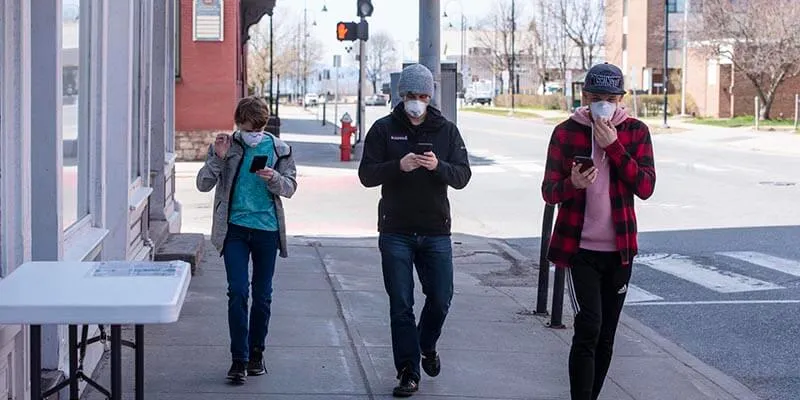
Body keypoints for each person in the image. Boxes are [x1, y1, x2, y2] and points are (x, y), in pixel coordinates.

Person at [541, 62, 656, 400]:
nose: (603, 105)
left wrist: (614, 147)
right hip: (580, 250)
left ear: (621, 99)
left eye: (610, 99)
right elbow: (549, 191)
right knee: (588, 326)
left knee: (606, 334)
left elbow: (646, 187)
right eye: (595, 98)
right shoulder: (566, 132)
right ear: (584, 97)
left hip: (619, 251)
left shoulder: (635, 131)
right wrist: (572, 183)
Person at [358, 64, 472, 397]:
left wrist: (438, 167)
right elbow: (366, 175)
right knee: (401, 304)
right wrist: (398, 166)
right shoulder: (383, 129)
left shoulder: (446, 130)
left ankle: (426, 344)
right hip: (396, 230)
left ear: (430, 97)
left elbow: (462, 176)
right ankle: (408, 371)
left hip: (435, 230)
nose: (416, 102)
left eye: (423, 96)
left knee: (440, 298)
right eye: (411, 95)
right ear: (401, 95)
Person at [196, 96, 298, 383]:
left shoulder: (280, 149)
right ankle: (238, 359)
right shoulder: (226, 146)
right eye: (247, 129)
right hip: (235, 230)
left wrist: (274, 178)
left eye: (258, 130)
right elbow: (203, 184)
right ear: (238, 124)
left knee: (262, 296)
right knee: (238, 291)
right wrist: (218, 158)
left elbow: (290, 188)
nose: (253, 135)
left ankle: (256, 354)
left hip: (267, 230)